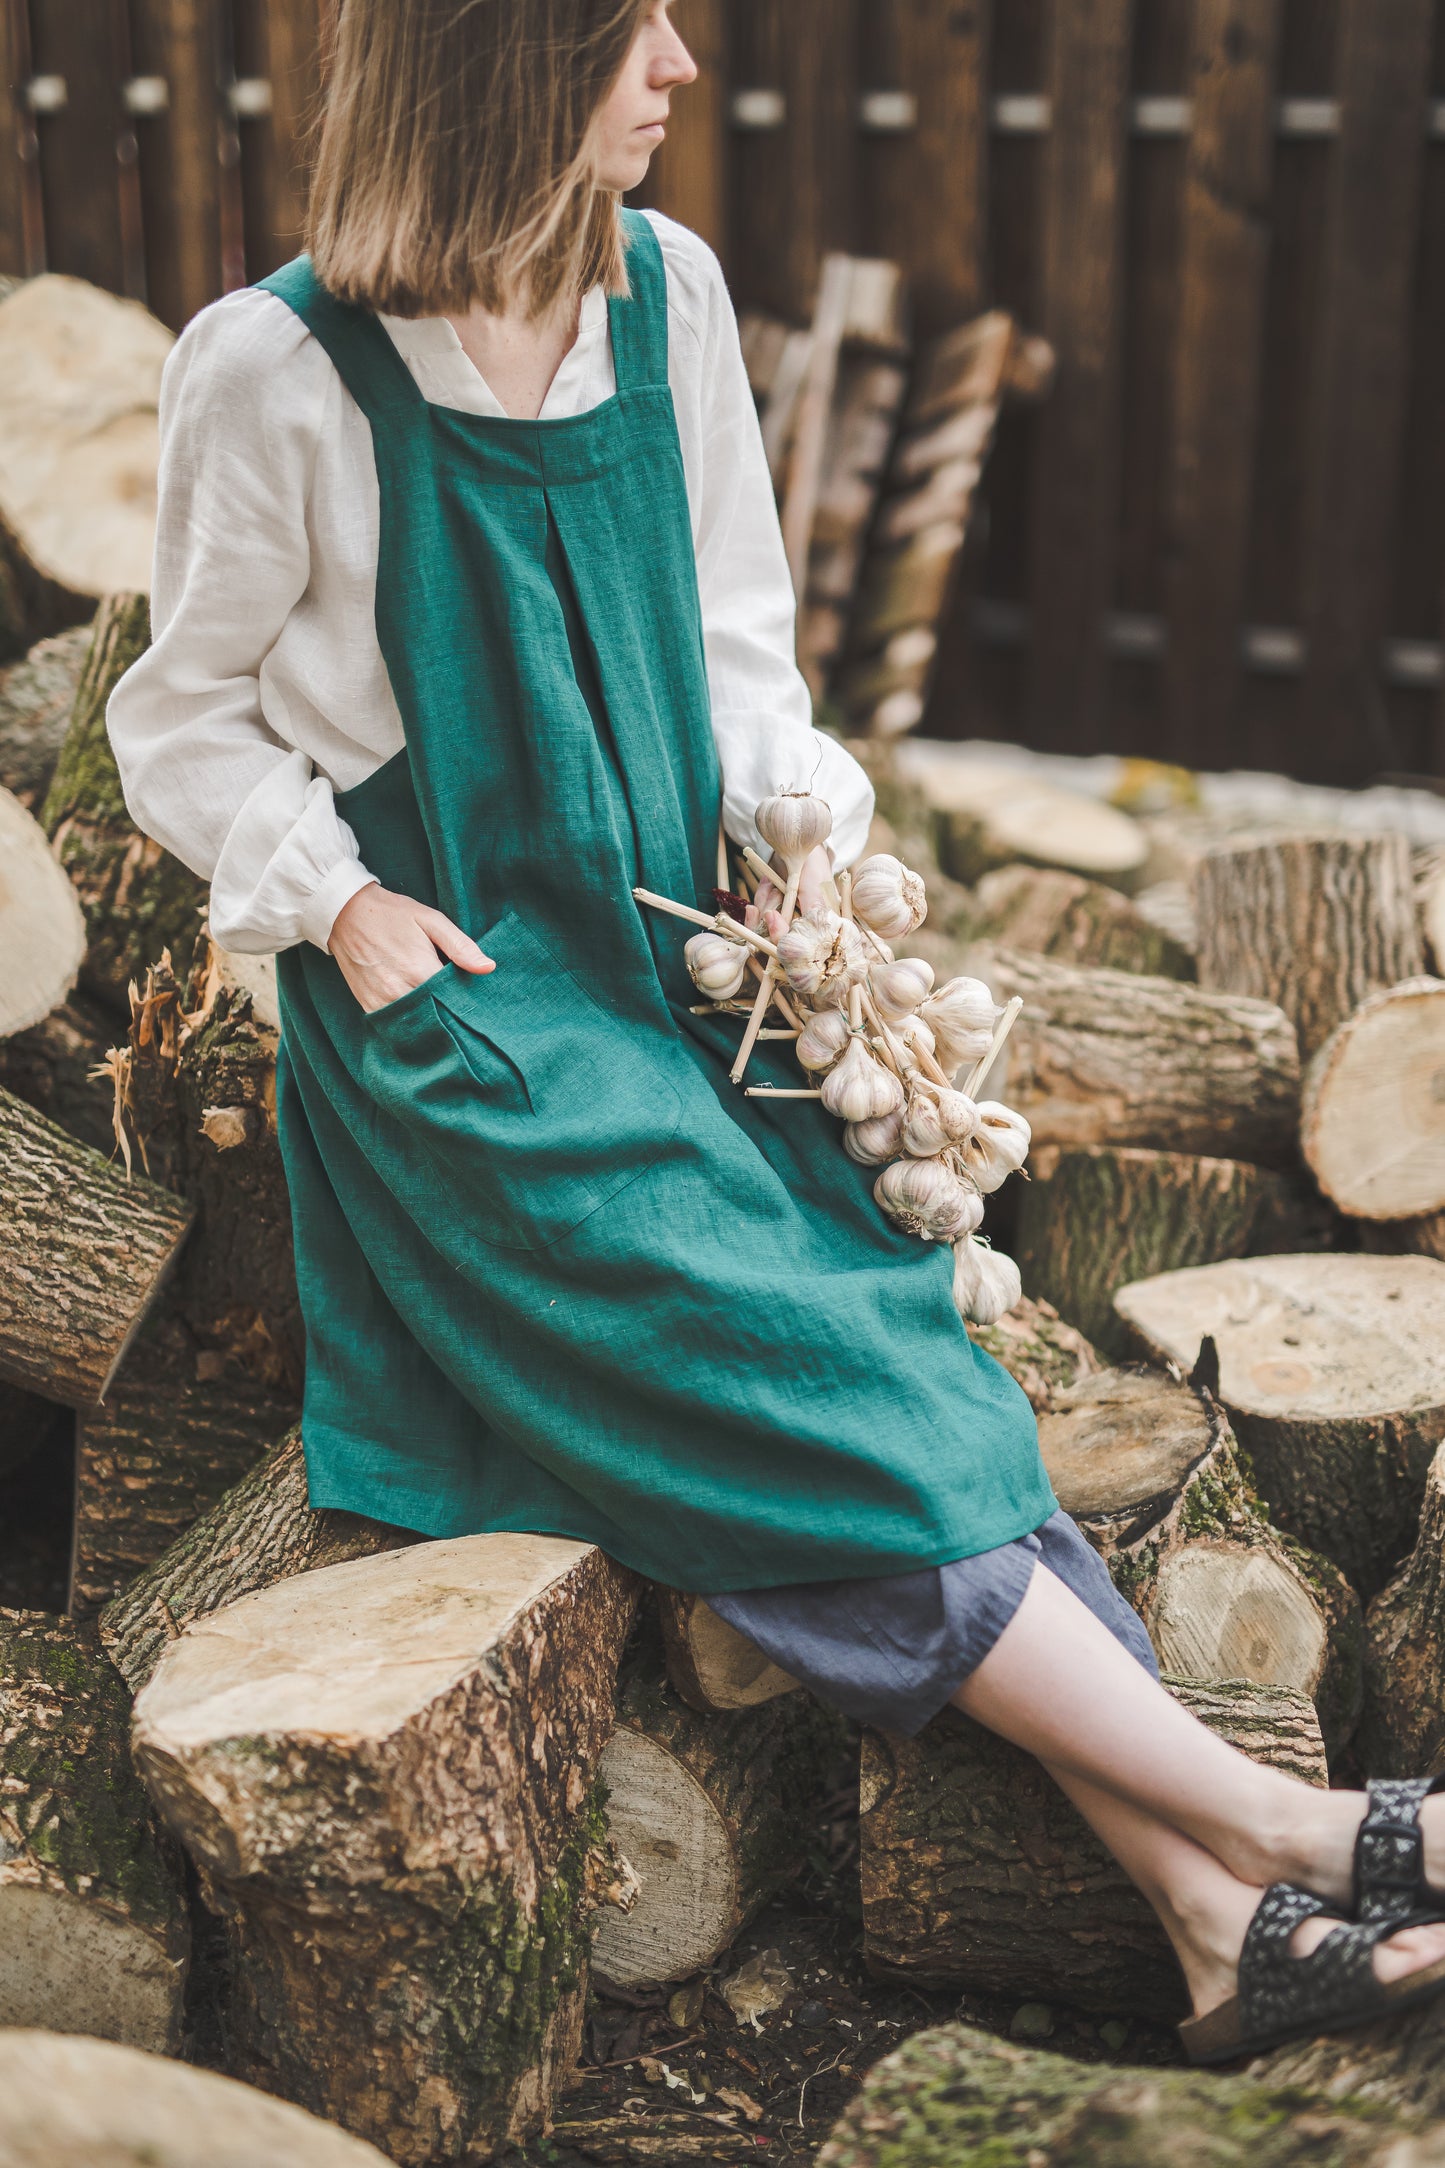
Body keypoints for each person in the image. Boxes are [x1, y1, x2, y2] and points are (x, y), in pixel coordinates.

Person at [107, 0, 1445, 2062]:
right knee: (820, 1386)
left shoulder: (674, 294)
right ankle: (1276, 1820)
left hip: (694, 980)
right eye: (630, 25)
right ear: (501, 64)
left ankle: (1210, 1923)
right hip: (480, 1045)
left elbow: (739, 638)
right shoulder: (277, 370)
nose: (678, 62)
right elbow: (175, 721)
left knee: (918, 1379)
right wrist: (347, 911)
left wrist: (802, 864)